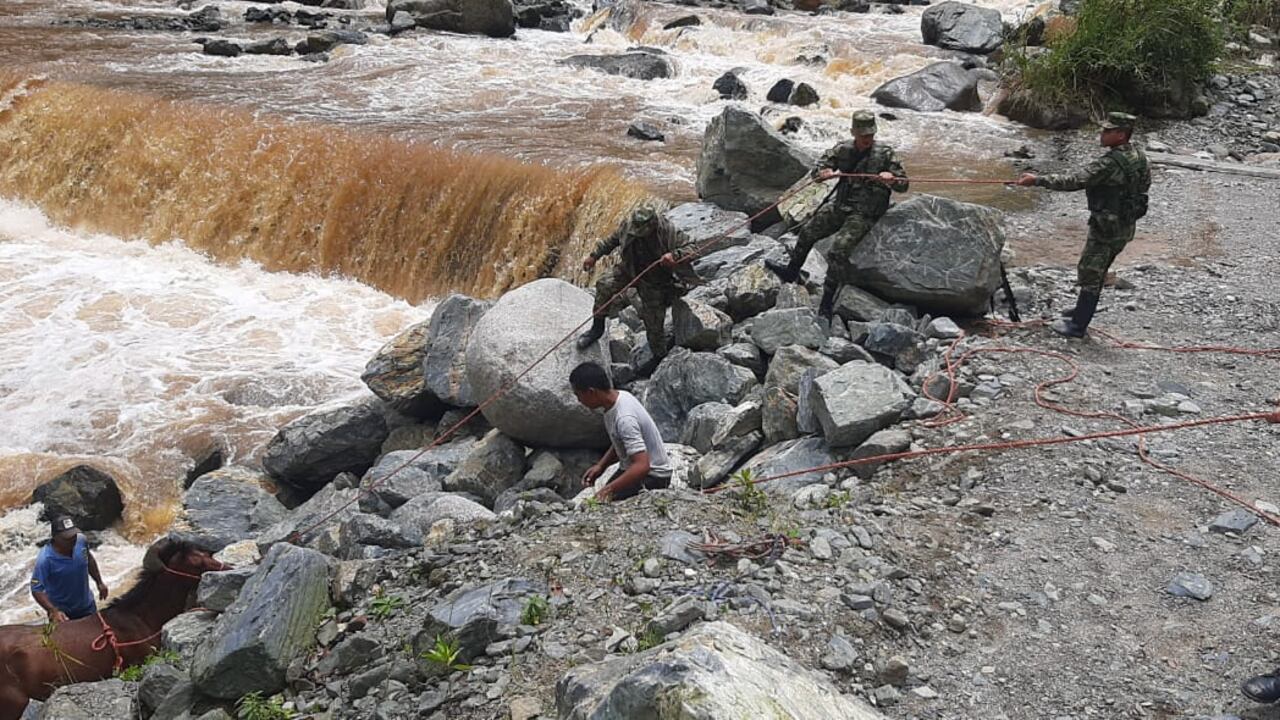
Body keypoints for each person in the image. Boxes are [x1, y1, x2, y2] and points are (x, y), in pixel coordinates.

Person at [1016, 111, 1151, 338]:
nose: (1102, 134)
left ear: (1121, 135)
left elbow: (1074, 181)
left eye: (1108, 131)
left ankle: (1078, 325)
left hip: (1106, 227)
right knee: (1100, 268)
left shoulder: (1109, 163)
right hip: (1126, 225)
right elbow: (1144, 185)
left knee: (1090, 271)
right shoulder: (1139, 155)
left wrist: (1036, 180)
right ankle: (1080, 310)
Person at [765, 109, 909, 318]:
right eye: (863, 136)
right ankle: (791, 271)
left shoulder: (886, 154)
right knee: (807, 232)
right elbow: (820, 167)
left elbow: (904, 185)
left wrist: (892, 179)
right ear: (854, 133)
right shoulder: (843, 150)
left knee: (838, 251)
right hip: (841, 206)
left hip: (864, 213)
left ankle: (827, 301)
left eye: (870, 135)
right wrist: (823, 173)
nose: (867, 139)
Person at [575, 201, 701, 372]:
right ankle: (597, 329)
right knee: (604, 284)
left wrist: (674, 255)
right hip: (629, 268)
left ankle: (659, 358)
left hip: (655, 280)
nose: (638, 233)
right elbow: (612, 241)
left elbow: (694, 248)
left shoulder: (668, 231)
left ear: (652, 225)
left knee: (654, 323)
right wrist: (594, 256)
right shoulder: (628, 225)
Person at [569, 362, 673, 502]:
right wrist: (601, 466)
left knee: (603, 502)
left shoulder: (624, 418)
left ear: (591, 392)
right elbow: (621, 440)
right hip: (634, 468)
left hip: (654, 476)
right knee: (603, 497)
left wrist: (606, 491)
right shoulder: (619, 397)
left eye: (579, 395)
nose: (579, 401)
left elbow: (642, 466)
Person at [30, 516, 108, 622]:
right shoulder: (45, 559)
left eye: (74, 535)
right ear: (56, 537)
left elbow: (89, 559)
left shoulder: (81, 541)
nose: (72, 540)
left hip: (87, 606)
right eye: (67, 538)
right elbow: (36, 589)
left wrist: (99, 582)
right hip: (62, 614)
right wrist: (53, 610)